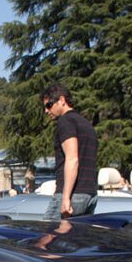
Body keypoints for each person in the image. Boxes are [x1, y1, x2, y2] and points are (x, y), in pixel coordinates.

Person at [41, 83, 98, 220]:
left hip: (73, 195)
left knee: (47, 238)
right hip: (90, 194)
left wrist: (66, 198)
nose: (46, 111)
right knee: (77, 240)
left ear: (62, 100)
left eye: (49, 105)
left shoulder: (66, 121)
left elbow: (72, 159)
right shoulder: (86, 124)